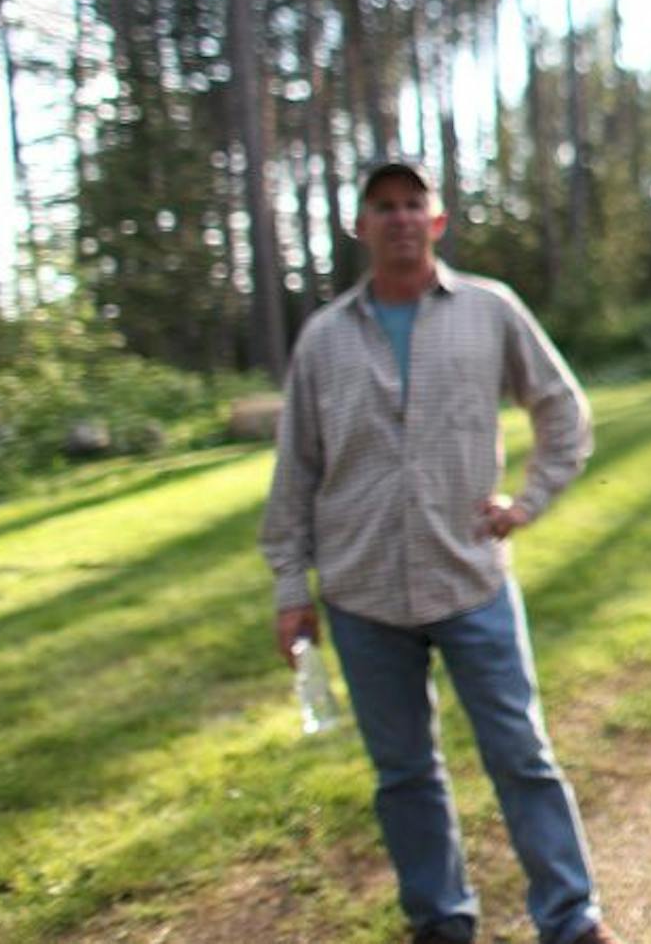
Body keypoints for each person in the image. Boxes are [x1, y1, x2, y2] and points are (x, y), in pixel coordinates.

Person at [259, 159, 620, 944]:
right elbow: (296, 472)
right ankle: (440, 921)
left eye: (411, 203)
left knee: (520, 754)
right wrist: (291, 588)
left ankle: (571, 919)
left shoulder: (489, 309)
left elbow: (563, 411)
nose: (398, 217)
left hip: (470, 581)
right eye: (382, 205)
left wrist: (527, 501)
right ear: (361, 225)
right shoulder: (324, 339)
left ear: (437, 220)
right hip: (360, 594)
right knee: (404, 774)